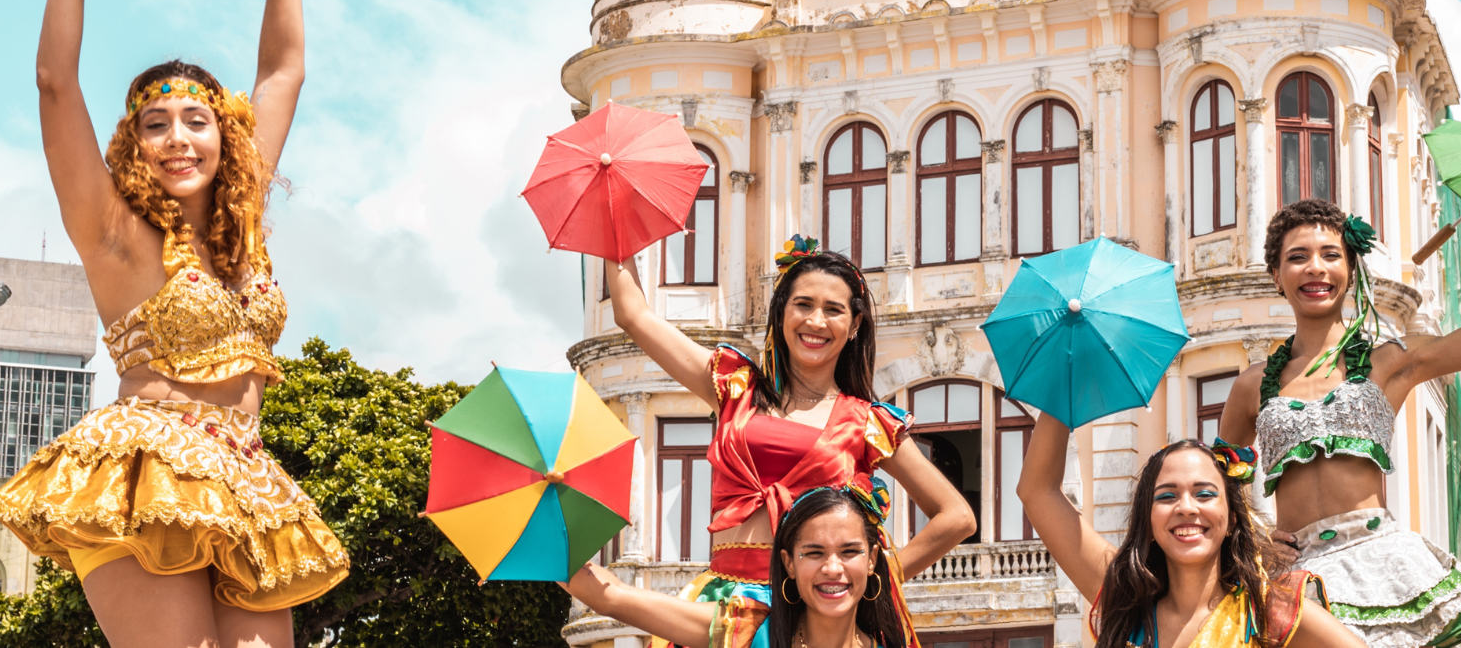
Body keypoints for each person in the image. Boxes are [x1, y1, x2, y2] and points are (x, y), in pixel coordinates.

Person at [0, 0, 345, 646]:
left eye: (196, 121)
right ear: (135, 146)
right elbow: (55, 83)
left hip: (247, 476)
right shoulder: (117, 236)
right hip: (147, 463)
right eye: (156, 125)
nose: (178, 139)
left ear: (226, 137)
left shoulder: (243, 223)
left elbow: (285, 71)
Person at [601, 236, 974, 640]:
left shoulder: (864, 422)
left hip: (812, 615)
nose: (816, 321)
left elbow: (957, 516)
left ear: (854, 326)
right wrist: (611, 221)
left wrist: (868, 575)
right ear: (781, 314)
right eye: (803, 304)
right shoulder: (735, 390)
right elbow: (633, 315)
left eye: (833, 310)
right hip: (723, 605)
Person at [1215, 198, 1461, 648]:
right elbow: (1215, 484)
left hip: (1383, 566)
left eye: (1331, 255)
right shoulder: (1251, 386)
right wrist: (1255, 540)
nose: (1316, 268)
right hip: (1296, 578)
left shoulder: (1391, 362)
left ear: (1351, 270)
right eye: (1297, 257)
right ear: (1276, 274)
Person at [1020, 416, 1363, 648]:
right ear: (1149, 522)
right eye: (1167, 496)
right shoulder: (1125, 604)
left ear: (1231, 519)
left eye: (1205, 494)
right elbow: (1037, 492)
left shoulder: (1270, 609)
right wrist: (1063, 363)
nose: (1186, 507)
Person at [565, 485, 922, 648]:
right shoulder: (744, 630)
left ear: (873, 560)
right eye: (813, 553)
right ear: (789, 564)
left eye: (849, 552)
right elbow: (610, 596)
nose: (833, 568)